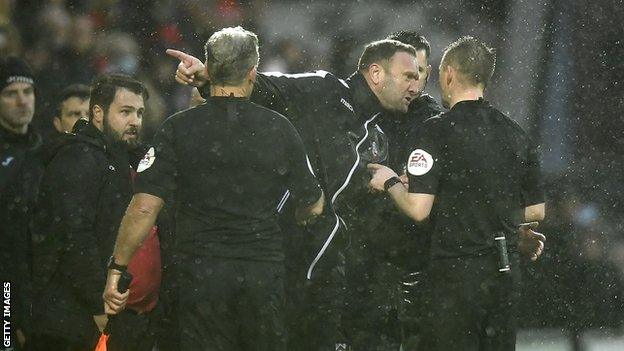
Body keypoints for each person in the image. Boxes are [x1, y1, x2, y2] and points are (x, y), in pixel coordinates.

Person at [167, 36, 420, 350]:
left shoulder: (377, 136)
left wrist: (389, 187)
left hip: (324, 281)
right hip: (275, 267)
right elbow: (270, 88)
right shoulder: (324, 90)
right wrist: (210, 76)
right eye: (409, 76)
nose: (417, 85)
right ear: (377, 74)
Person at [102, 26, 325, 351]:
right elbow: (313, 202)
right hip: (261, 275)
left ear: (209, 67)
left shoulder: (179, 128)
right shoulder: (278, 129)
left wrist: (116, 269)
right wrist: (301, 217)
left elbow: (144, 208)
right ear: (252, 73)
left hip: (200, 276)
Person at [368, 36, 546, 350]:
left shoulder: (434, 131)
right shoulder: (516, 134)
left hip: (454, 279)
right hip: (504, 277)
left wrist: (389, 182)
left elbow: (419, 208)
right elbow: (536, 211)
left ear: (449, 73)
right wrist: (492, 215)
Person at [30, 74, 162, 351]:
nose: (135, 121)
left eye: (139, 113)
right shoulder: (78, 158)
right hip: (78, 319)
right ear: (98, 114)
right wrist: (98, 302)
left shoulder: (131, 160)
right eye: (125, 112)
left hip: (127, 317)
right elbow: (73, 236)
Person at [342, 31, 443, 350]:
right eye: (407, 73)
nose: (413, 84)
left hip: (412, 257)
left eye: (420, 73)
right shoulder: (363, 111)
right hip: (361, 251)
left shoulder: (436, 123)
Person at [0, 56, 41, 351]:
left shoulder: (44, 151)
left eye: (27, 93)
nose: (22, 101)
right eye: (11, 94)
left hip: (35, 280)